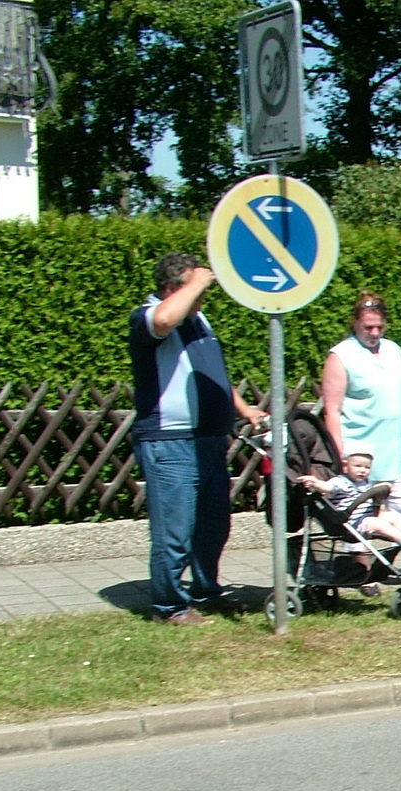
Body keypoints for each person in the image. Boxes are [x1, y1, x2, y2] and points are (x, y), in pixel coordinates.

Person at [128, 252, 266, 626]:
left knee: (213, 525)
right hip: (170, 441)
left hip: (209, 440)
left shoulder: (199, 320)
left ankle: (206, 591)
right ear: (171, 288)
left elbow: (212, 373)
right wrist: (198, 281)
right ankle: (169, 606)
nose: (203, 297)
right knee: (175, 529)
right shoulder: (148, 316)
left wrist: (244, 409)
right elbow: (163, 320)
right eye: (197, 289)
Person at [321, 292, 401, 550]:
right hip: (359, 455)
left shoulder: (393, 350)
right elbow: (332, 410)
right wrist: (339, 454)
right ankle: (360, 568)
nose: (375, 333)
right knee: (360, 521)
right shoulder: (341, 356)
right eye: (368, 327)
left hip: (394, 453)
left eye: (380, 327)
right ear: (355, 323)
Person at [299, 451, 401, 596]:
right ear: (346, 467)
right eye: (357, 466)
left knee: (392, 517)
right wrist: (315, 483)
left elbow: (376, 493)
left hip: (364, 518)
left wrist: (383, 486)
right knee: (376, 523)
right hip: (351, 523)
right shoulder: (340, 482)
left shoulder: (366, 483)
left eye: (366, 467)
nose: (362, 470)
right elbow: (328, 488)